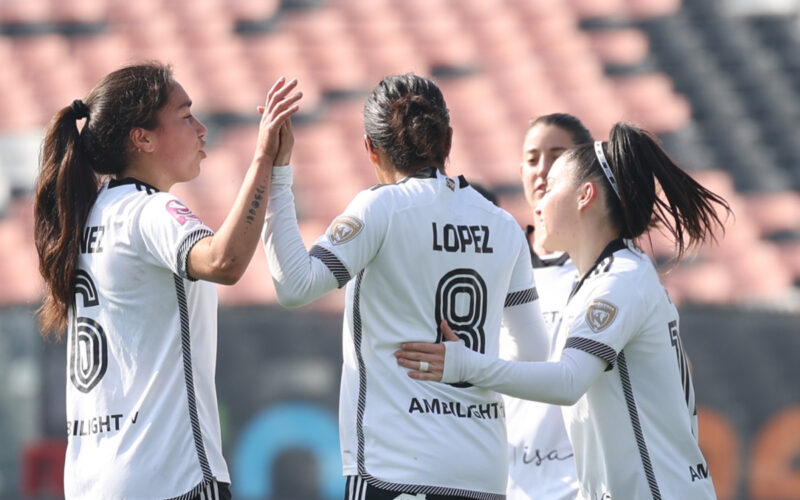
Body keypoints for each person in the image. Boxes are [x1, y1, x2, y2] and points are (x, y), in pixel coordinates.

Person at [396, 121, 731, 500]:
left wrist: (464, 365)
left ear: (585, 196)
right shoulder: (609, 276)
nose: (539, 199)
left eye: (553, 184)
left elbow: (568, 382)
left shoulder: (620, 280)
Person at [262, 73, 549, 500]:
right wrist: (465, 366)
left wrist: (277, 173)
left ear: (370, 148)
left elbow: (294, 285)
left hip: (394, 468)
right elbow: (532, 355)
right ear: (448, 139)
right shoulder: (503, 225)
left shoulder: (382, 209)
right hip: (482, 470)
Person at [33, 62, 301, 499]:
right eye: (185, 115)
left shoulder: (87, 215)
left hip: (92, 482)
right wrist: (264, 160)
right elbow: (225, 261)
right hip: (169, 477)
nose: (201, 129)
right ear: (142, 138)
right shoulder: (148, 210)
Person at [500, 114, 593, 500]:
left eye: (557, 155)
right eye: (533, 158)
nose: (543, 170)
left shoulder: (608, 269)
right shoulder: (497, 261)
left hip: (581, 485)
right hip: (505, 485)